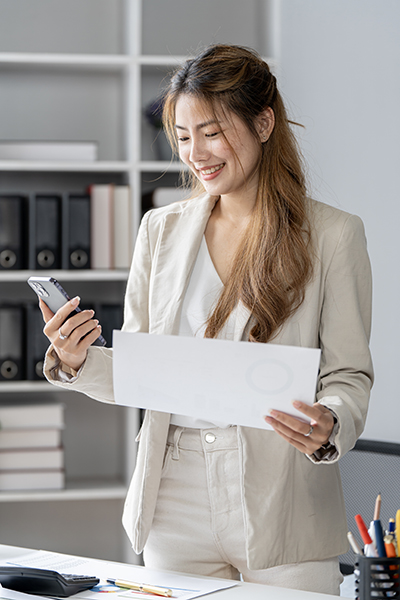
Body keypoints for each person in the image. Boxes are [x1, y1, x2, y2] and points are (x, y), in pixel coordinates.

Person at [40, 44, 373, 595]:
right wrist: (77, 361)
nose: (196, 152)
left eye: (212, 131)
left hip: (283, 494)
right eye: (183, 134)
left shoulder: (334, 235)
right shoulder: (160, 230)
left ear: (264, 123)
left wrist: (329, 422)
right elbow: (143, 370)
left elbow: (349, 375)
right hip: (175, 494)